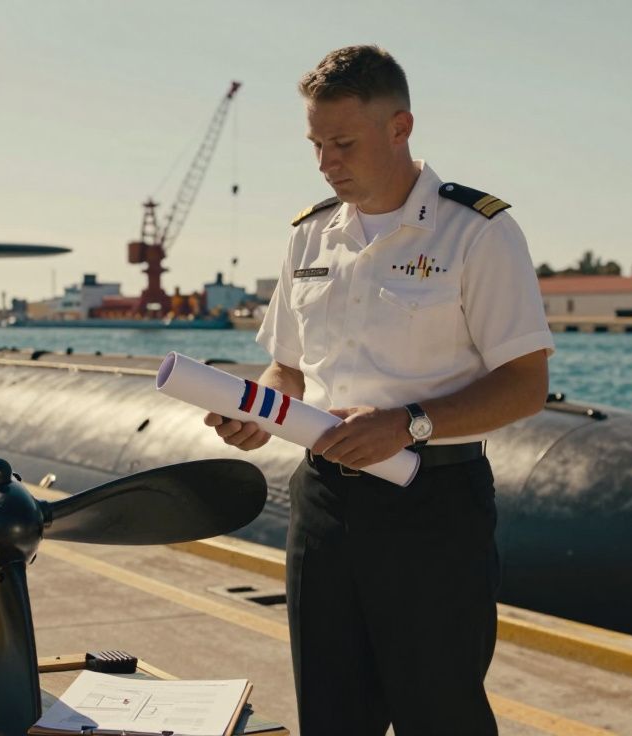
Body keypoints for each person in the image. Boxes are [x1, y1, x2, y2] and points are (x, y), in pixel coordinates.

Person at [204, 46, 554, 735]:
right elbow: (288, 369)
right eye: (316, 144)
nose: (326, 161)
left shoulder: (476, 232)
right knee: (332, 716)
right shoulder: (309, 235)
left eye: (342, 142)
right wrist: (257, 412)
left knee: (440, 714)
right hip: (324, 506)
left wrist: (409, 422)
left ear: (400, 128)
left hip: (433, 505)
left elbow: (526, 385)